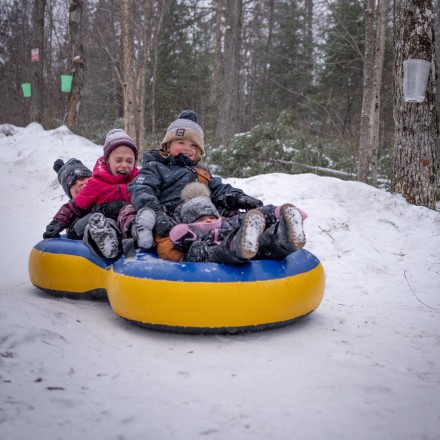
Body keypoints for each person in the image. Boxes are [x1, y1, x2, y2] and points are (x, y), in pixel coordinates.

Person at [128, 109, 263, 261]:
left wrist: (238, 197)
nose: (187, 148)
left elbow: (220, 190)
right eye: (181, 142)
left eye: (193, 146)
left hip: (205, 217)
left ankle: (258, 239)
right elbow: (142, 189)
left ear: (199, 152)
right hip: (172, 219)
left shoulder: (202, 172)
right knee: (167, 243)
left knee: (232, 220)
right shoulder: (156, 167)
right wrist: (157, 214)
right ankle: (192, 256)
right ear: (167, 146)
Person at [43, 129, 143, 259]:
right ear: (107, 161)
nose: (124, 165)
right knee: (103, 223)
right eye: (118, 160)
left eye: (129, 161)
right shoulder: (96, 184)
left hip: (130, 221)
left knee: (135, 217)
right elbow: (72, 207)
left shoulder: (139, 180)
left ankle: (142, 236)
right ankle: (107, 242)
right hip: (108, 224)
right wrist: (56, 223)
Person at [169, 182, 307, 264]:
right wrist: (184, 238)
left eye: (211, 216)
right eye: (201, 219)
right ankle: (242, 243)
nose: (209, 220)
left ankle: (284, 237)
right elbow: (182, 242)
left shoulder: (227, 223)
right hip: (216, 256)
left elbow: (253, 216)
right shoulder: (195, 233)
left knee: (265, 244)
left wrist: (276, 211)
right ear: (191, 223)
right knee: (227, 247)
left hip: (252, 251)